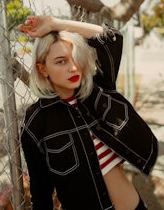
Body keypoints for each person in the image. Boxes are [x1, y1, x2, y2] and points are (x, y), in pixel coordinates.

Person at [19, 15, 158, 210]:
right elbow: (41, 193)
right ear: (43, 69)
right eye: (61, 62)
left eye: (75, 58)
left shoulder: (97, 91)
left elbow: (112, 38)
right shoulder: (37, 122)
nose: (73, 67)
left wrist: (55, 24)